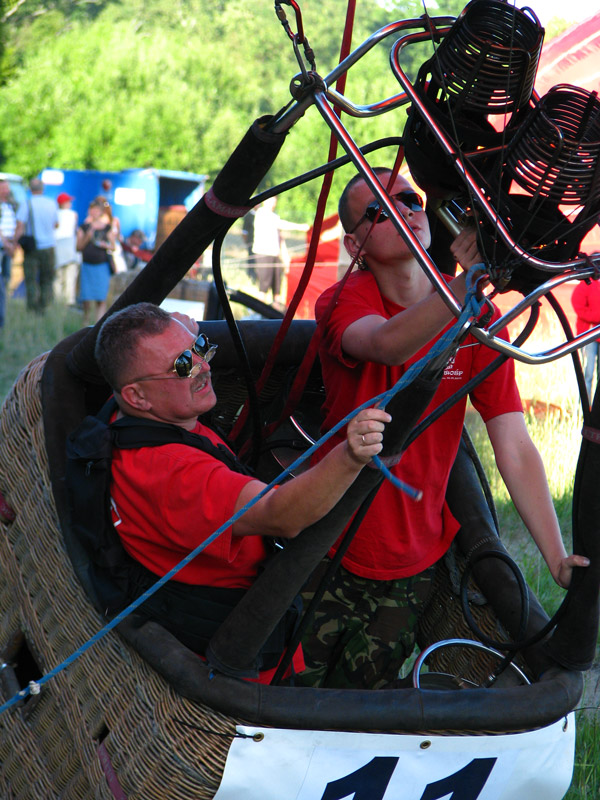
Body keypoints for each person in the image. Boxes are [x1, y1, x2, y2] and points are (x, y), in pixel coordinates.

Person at [298, 167, 589, 690]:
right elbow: (388, 344)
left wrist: (555, 556)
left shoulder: (478, 319)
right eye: (379, 210)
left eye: (409, 198)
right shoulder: (346, 299)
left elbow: (515, 445)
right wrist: (465, 283)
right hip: (327, 545)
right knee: (291, 696)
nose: (404, 209)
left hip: (414, 560)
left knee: (367, 702)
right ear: (354, 243)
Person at [94, 302, 390, 683]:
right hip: (240, 664)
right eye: (182, 366)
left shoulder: (124, 415)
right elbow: (284, 515)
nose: (202, 367)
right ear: (137, 397)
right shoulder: (179, 477)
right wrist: (349, 455)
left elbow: (169, 337)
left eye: (201, 348)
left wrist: (184, 338)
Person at [251, 196, 309, 307]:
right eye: (270, 199)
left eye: (274, 200)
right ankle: (257, 313)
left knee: (277, 288)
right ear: (264, 201)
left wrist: (285, 257)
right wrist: (300, 227)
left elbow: (280, 238)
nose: (273, 202)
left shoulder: (274, 216)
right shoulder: (261, 213)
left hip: (275, 255)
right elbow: (281, 224)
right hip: (264, 254)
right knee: (263, 287)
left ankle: (275, 313)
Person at [14, 178, 59, 313]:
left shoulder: (27, 204)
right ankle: (44, 306)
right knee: (47, 278)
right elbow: (56, 224)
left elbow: (20, 226)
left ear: (30, 189)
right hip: (49, 246)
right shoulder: (51, 203)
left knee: (31, 279)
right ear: (42, 188)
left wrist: (14, 242)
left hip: (33, 247)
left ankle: (33, 308)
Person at [76, 196, 116, 325]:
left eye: (97, 210)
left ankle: (98, 324)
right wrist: (88, 236)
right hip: (87, 265)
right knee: (86, 297)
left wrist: (105, 245)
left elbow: (113, 246)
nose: (94, 212)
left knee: (101, 297)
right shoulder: (84, 227)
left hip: (101, 266)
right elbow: (79, 247)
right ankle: (85, 322)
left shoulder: (106, 228)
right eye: (92, 210)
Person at [571, 278, 600, 405]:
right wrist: (597, 317)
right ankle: (584, 408)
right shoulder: (587, 284)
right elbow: (578, 305)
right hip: (589, 335)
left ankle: (596, 413)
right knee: (587, 374)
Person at [54, 192, 79, 304]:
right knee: (69, 276)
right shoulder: (73, 214)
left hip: (57, 246)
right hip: (69, 246)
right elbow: (75, 230)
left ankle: (57, 300)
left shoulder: (55, 214)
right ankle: (68, 301)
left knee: (57, 277)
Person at [0, 179, 19, 329]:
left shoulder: (10, 205)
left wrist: (13, 244)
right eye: (4, 188)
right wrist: (7, 244)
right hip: (3, 247)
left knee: (6, 280)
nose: (6, 191)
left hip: (8, 247)